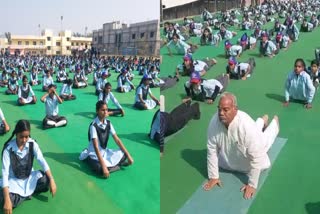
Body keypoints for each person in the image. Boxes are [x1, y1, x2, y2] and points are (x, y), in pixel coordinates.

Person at [203, 92, 279, 199]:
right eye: (219, 109)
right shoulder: (214, 122)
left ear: (235, 109)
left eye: (225, 109)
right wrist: (213, 176)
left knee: (264, 141)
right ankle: (262, 120)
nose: (221, 113)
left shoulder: (246, 126)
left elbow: (256, 158)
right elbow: (211, 150)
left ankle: (274, 123)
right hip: (230, 159)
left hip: (250, 148)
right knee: (253, 134)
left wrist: (252, 185)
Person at [0, 120, 57, 212]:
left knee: (46, 180)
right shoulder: (8, 149)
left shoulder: (32, 144)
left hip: (29, 178)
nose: (24, 140)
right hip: (13, 182)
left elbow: (42, 160)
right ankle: (27, 194)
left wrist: (52, 179)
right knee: (4, 199)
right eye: (21, 137)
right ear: (16, 134)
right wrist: (7, 199)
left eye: (26, 137)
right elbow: (5, 173)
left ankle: (21, 196)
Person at [79, 101, 134, 178]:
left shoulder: (108, 123)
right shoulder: (93, 126)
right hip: (94, 154)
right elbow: (96, 147)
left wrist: (128, 156)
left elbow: (117, 140)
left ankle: (111, 167)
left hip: (105, 153)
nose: (105, 112)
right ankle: (114, 166)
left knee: (124, 154)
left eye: (106, 110)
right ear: (97, 111)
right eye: (103, 110)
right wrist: (104, 167)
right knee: (100, 169)